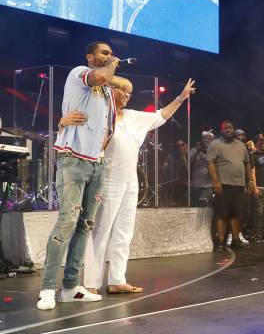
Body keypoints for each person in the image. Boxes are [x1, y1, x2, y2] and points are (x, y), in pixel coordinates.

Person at [77, 76, 195, 294]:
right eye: (121, 89)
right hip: (107, 179)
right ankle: (91, 284)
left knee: (124, 231)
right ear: (108, 90)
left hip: (131, 180)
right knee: (101, 231)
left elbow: (162, 115)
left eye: (129, 92)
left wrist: (181, 98)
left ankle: (116, 280)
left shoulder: (133, 117)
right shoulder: (98, 116)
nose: (126, 94)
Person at [37, 41, 120, 310]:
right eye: (104, 53)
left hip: (97, 163)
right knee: (67, 221)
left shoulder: (106, 91)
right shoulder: (79, 73)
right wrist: (113, 65)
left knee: (85, 225)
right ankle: (48, 288)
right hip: (73, 160)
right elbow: (101, 76)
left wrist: (101, 155)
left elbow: (111, 119)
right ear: (90, 56)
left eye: (110, 54)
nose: (109, 57)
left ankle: (71, 286)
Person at [208, 121, 253, 251]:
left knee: (236, 214)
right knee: (222, 214)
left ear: (234, 130)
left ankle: (235, 240)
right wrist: (216, 182)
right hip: (223, 185)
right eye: (225, 128)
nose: (228, 130)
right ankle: (220, 242)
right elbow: (210, 163)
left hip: (238, 185)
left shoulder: (241, 145)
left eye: (230, 128)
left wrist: (250, 180)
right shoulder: (215, 144)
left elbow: (247, 163)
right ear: (221, 130)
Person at [190, 131, 215, 207]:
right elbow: (189, 162)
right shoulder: (194, 150)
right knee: (193, 210)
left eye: (209, 139)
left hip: (207, 187)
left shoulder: (215, 151)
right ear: (201, 139)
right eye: (205, 138)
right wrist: (198, 151)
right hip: (194, 186)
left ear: (212, 140)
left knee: (204, 210)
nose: (207, 140)